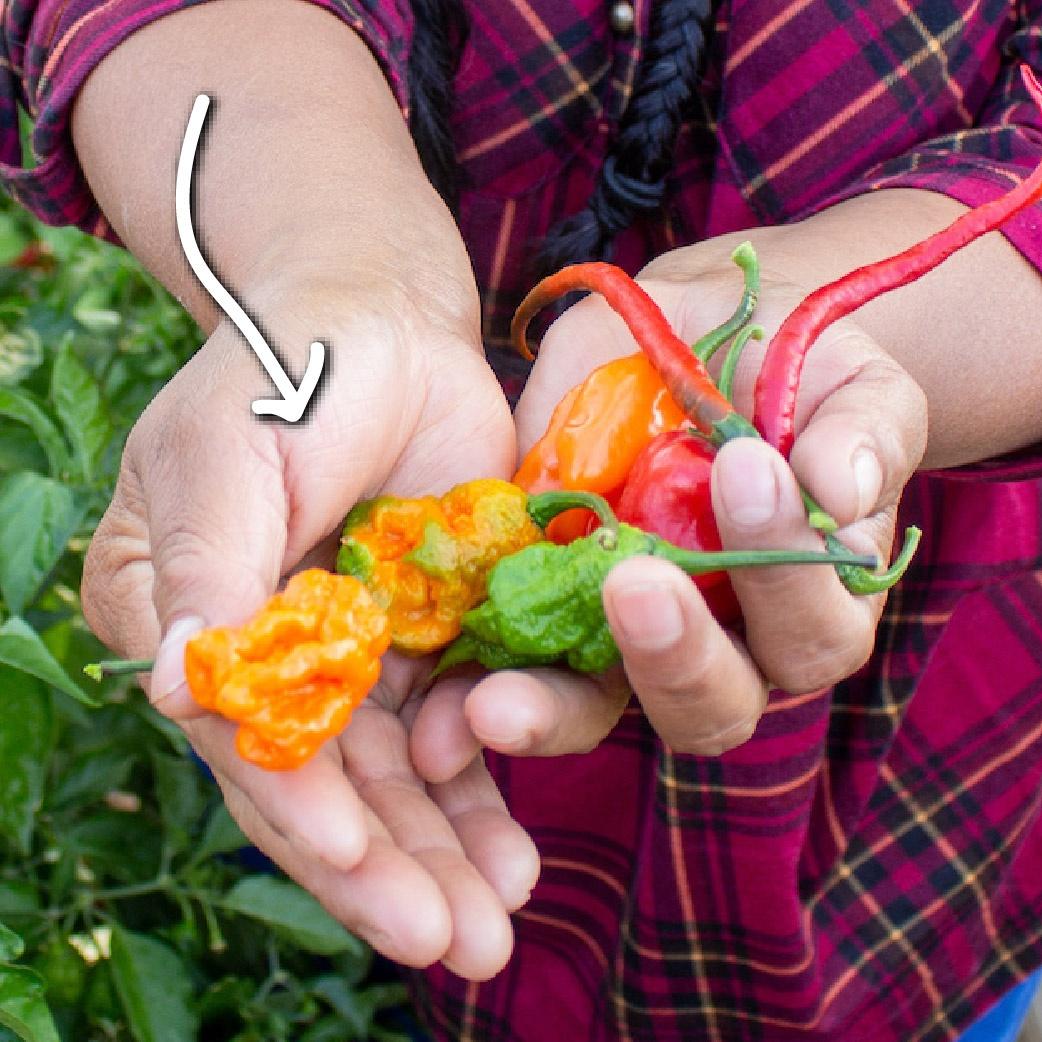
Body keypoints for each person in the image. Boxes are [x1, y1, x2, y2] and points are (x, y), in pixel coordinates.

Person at [3, 0, 1042, 1038]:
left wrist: (852, 330)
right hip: (352, 502)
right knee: (384, 880)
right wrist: (326, 266)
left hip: (927, 718)